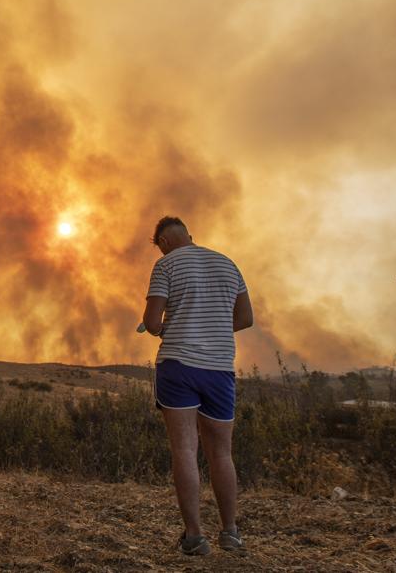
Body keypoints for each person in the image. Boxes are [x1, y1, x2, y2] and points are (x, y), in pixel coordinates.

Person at [142, 216, 253, 556]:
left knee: (185, 449)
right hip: (219, 369)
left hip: (178, 366)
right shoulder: (228, 263)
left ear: (162, 243)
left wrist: (168, 328)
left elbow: (151, 322)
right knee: (221, 452)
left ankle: (194, 536)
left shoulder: (166, 266)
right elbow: (246, 318)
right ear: (190, 234)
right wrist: (213, 329)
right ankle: (231, 532)